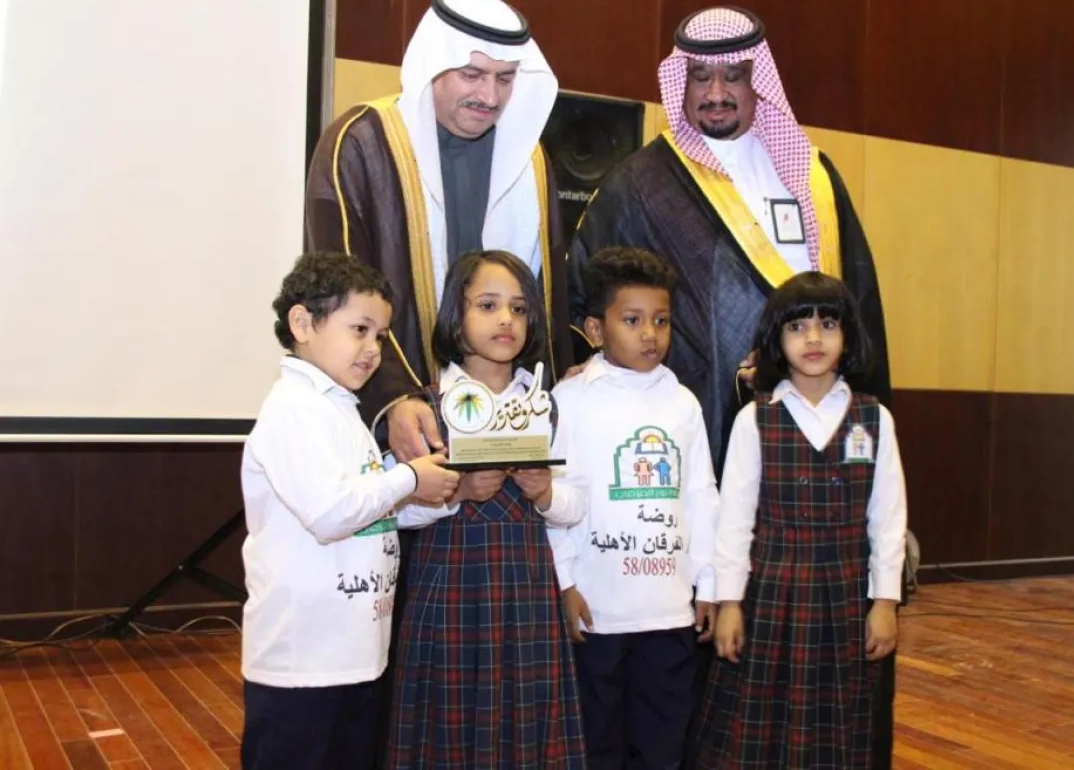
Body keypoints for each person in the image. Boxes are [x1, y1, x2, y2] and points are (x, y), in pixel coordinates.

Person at [568, 5, 899, 765]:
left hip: (820, 457)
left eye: (734, 77)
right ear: (678, 83)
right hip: (695, 450)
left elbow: (859, 304)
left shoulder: (814, 177)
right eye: (700, 78)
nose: (716, 93)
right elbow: (590, 297)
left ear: (761, 83)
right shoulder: (642, 183)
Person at [304, 0, 574, 460]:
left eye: (505, 78)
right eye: (472, 75)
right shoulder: (362, 143)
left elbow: (546, 296)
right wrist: (394, 398)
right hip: (396, 424)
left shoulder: (529, 159)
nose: (490, 96)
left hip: (504, 424)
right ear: (434, 64)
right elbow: (340, 290)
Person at [238, 252, 460, 770]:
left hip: (356, 654)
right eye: (359, 329)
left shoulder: (341, 409)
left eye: (381, 335)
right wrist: (410, 478)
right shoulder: (293, 408)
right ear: (302, 324)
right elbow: (331, 513)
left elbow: (371, 515)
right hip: (303, 664)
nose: (373, 348)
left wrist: (439, 499)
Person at [694, 271, 908, 769]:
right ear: (777, 339)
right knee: (760, 720)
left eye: (827, 324)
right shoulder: (756, 419)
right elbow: (735, 522)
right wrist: (730, 602)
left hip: (846, 595)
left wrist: (885, 602)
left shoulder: (874, 419)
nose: (813, 338)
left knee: (839, 720)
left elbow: (888, 519)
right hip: (771, 593)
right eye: (797, 327)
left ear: (847, 335)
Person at [386, 250, 587, 768]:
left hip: (527, 589)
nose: (506, 320)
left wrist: (544, 493)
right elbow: (393, 510)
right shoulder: (425, 408)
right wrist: (456, 494)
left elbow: (575, 504)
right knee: (450, 726)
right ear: (456, 315)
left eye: (519, 309)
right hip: (450, 585)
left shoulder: (545, 405)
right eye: (488, 305)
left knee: (527, 725)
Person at [548, 247, 720, 769]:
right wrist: (564, 582)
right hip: (597, 610)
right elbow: (552, 495)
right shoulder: (569, 399)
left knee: (663, 741)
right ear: (595, 330)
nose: (650, 334)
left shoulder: (683, 403)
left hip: (669, 609)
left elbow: (701, 495)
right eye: (632, 320)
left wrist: (709, 582)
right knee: (597, 742)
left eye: (661, 321)